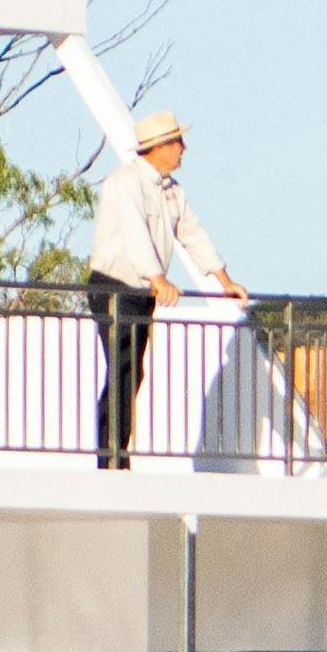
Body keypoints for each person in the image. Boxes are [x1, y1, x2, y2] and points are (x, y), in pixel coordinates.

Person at [89, 106, 239, 472]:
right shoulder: (125, 182)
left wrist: (224, 280)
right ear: (158, 147)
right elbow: (134, 233)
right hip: (114, 286)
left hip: (140, 293)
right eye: (177, 142)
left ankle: (116, 454)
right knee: (122, 367)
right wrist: (158, 279)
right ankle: (110, 459)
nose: (183, 148)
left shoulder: (171, 191)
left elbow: (192, 232)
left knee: (132, 372)